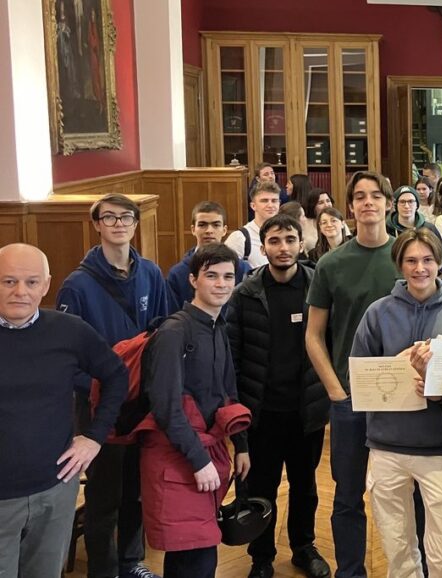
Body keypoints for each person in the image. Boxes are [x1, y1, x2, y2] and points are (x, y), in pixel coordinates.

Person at [351, 229, 442, 578]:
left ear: (441, 263)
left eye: (427, 260)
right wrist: (401, 368)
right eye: (411, 260)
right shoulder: (378, 313)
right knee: (397, 548)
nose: (420, 268)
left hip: (441, 449)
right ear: (399, 264)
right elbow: (360, 378)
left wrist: (439, 390)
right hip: (386, 446)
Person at [55, 193, 170, 578]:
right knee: (104, 496)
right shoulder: (77, 285)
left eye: (125, 217)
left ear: (136, 223)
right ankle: (103, 570)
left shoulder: (151, 273)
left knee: (137, 488)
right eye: (109, 217)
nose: (118, 224)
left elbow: (162, 331)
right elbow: (67, 358)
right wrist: (101, 389)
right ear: (97, 225)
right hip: (99, 405)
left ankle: (130, 561)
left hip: (141, 403)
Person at [0, 243, 128, 578]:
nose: (20, 292)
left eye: (31, 282)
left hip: (55, 492)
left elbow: (116, 375)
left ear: (46, 285)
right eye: (9, 281)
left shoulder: (69, 330)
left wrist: (95, 437)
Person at [306, 171, 400, 578]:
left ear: (388, 204)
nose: (368, 202)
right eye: (359, 196)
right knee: (347, 496)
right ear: (350, 207)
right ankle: (350, 572)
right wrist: (335, 390)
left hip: (402, 397)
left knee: (407, 494)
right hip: (350, 398)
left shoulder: (407, 256)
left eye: (376, 195)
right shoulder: (331, 264)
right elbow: (313, 335)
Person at [226, 215, 331, 578]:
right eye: (274, 240)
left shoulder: (319, 287)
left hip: (306, 410)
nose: (283, 248)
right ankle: (261, 557)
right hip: (261, 413)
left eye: (289, 239)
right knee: (261, 488)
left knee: (305, 487)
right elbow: (233, 356)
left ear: (301, 244)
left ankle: (303, 547)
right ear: (263, 246)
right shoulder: (245, 294)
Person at [138, 243, 251, 578]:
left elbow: (228, 392)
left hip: (203, 453)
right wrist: (199, 461)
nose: (221, 284)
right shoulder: (174, 331)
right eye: (211, 275)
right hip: (176, 457)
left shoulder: (218, 326)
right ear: (193, 280)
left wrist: (241, 445)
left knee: (197, 553)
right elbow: (165, 407)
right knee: (193, 556)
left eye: (228, 277)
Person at [166, 201, 251, 312]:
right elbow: (172, 315)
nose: (209, 231)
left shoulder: (242, 269)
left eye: (216, 225)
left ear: (224, 230)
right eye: (202, 225)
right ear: (193, 229)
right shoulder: (178, 273)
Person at [226, 180, 283, 269]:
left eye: (274, 201)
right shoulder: (240, 238)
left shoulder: (285, 235)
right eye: (264, 201)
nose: (270, 205)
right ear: (253, 206)